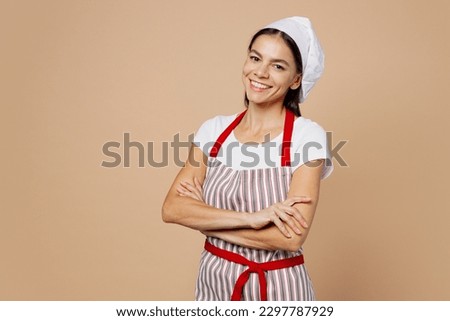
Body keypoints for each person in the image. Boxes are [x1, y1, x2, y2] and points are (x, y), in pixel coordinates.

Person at [162, 16, 333, 301]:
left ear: (296, 79)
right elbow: (172, 209)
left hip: (279, 289)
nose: (261, 73)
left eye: (278, 66)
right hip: (214, 284)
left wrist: (205, 220)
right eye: (256, 58)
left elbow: (289, 238)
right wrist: (252, 219)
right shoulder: (213, 130)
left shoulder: (307, 137)